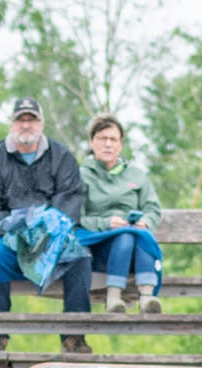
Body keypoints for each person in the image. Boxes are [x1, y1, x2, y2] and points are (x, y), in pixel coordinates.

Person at [0, 96, 92, 353]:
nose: (26, 125)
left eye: (32, 119)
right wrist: (12, 229)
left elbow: (70, 199)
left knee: (80, 258)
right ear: (12, 123)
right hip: (11, 242)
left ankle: (73, 336)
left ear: (41, 123)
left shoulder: (61, 157)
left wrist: (47, 229)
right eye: (20, 119)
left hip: (51, 241)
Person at [76, 113, 164, 313]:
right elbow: (77, 218)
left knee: (140, 234)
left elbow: (152, 209)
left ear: (120, 144)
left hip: (135, 252)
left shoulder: (136, 175)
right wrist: (106, 223)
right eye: (102, 139)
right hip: (99, 250)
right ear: (92, 142)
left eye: (113, 139)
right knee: (126, 235)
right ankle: (113, 298)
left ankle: (147, 299)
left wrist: (145, 221)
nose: (108, 144)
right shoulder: (81, 175)